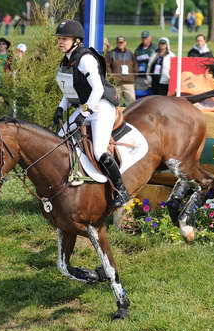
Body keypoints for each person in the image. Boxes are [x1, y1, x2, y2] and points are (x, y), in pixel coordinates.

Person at [53, 20, 128, 207]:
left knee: (99, 150)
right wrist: (60, 108)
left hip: (101, 106)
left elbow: (97, 90)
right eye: (59, 39)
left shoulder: (85, 59)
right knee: (59, 140)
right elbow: (69, 91)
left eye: (64, 39)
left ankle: (121, 190)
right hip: (85, 106)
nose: (60, 42)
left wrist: (84, 113)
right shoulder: (66, 60)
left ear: (76, 40)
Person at [106, 36, 137, 105]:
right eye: (119, 43)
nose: (120, 44)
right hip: (116, 84)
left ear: (125, 43)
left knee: (132, 103)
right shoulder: (111, 53)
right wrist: (112, 79)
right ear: (116, 43)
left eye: (122, 42)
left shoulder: (130, 53)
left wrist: (133, 77)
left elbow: (135, 66)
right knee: (114, 103)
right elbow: (107, 67)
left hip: (128, 83)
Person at [134, 31, 155, 99]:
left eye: (146, 38)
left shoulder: (154, 48)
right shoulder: (138, 49)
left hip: (151, 75)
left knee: (150, 96)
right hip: (140, 75)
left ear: (150, 38)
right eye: (143, 38)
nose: (144, 39)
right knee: (140, 94)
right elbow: (134, 59)